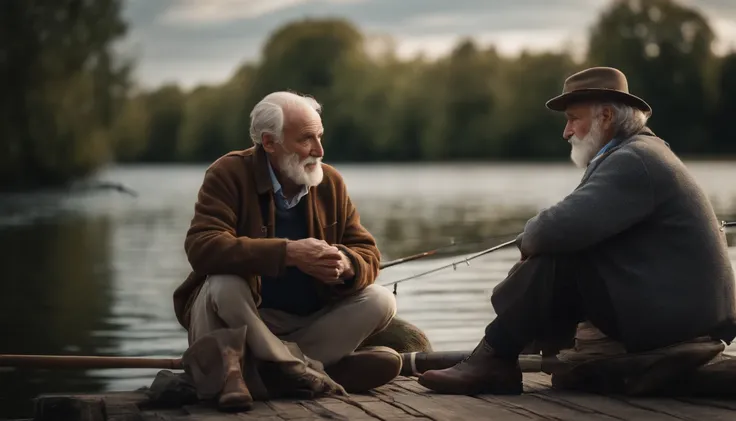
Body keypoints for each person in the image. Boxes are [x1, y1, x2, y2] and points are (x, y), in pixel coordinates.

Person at [417, 66, 736, 396]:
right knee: (571, 253)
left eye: (573, 118)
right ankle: (503, 353)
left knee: (560, 256)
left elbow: (551, 230)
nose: (566, 131)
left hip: (681, 322)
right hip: (682, 312)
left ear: (607, 116)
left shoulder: (634, 160)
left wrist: (527, 242)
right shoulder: (639, 153)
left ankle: (494, 358)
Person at [172, 91, 401, 411]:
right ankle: (299, 369)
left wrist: (346, 264)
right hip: (234, 321)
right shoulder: (229, 173)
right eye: (306, 139)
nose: (319, 150)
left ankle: (263, 372)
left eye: (320, 137)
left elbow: (367, 252)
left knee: (381, 300)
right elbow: (203, 246)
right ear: (269, 142)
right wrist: (289, 253)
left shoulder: (330, 182)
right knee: (224, 282)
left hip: (303, 324)